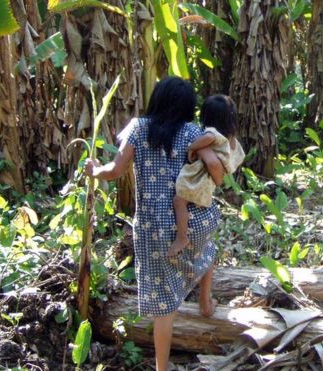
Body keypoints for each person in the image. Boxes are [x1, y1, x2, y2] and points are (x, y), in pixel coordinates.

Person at [84, 77, 222, 371]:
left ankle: (161, 367)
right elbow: (214, 166)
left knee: (164, 306)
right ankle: (206, 301)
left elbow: (115, 170)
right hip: (190, 218)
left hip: (151, 226)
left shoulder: (137, 128)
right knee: (209, 240)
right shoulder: (192, 133)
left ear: (157, 99)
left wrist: (95, 170)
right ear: (188, 106)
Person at [168, 95, 245, 257]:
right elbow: (235, 157)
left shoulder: (211, 132)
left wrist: (192, 147)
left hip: (203, 178)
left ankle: (181, 237)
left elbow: (209, 139)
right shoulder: (231, 138)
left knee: (178, 201)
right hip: (210, 180)